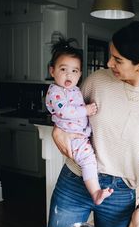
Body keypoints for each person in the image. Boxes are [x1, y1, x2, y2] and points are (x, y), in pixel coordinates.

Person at [47, 21, 139, 227]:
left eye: (118, 60)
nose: (109, 63)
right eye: (111, 55)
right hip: (75, 180)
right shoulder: (97, 80)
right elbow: (67, 111)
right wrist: (57, 131)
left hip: (119, 194)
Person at [45, 38, 113, 205]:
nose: (69, 75)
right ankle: (95, 192)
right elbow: (64, 111)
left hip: (79, 136)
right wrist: (87, 110)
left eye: (75, 71)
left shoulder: (74, 89)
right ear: (52, 71)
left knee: (90, 160)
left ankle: (95, 190)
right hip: (73, 138)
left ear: (80, 74)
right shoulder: (55, 92)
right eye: (63, 69)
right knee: (88, 160)